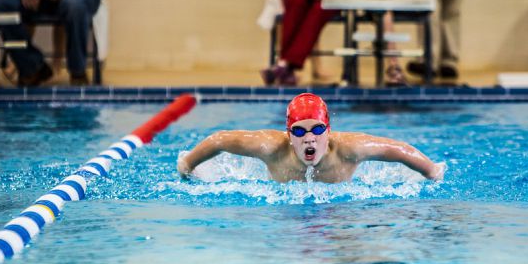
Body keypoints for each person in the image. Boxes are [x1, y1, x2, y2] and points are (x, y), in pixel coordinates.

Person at [177, 93, 445, 183]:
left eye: (317, 130)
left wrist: (432, 171)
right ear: (288, 133)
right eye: (299, 131)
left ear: (328, 131)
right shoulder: (270, 147)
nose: (309, 139)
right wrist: (187, 164)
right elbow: (220, 139)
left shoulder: (349, 149)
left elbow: (398, 149)